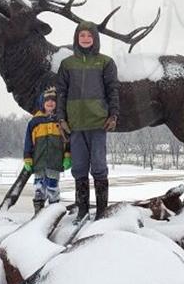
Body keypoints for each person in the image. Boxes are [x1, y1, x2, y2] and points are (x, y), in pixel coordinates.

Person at [55, 20, 119, 222]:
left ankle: (101, 213)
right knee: (79, 169)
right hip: (75, 125)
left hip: (98, 123)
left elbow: (113, 91)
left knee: (99, 168)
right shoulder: (67, 64)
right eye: (81, 35)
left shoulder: (105, 62)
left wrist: (113, 115)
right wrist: (61, 119)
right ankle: (83, 211)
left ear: (95, 39)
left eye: (89, 36)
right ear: (76, 38)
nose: (85, 39)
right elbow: (61, 94)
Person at [22, 87, 71, 214]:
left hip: (55, 162)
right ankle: (38, 213)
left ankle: (53, 213)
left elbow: (67, 141)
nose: (50, 103)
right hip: (39, 162)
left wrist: (67, 156)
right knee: (39, 188)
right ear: (42, 103)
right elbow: (28, 142)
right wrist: (28, 159)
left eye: (53, 100)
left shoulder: (61, 121)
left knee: (52, 187)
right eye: (47, 100)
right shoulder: (34, 122)